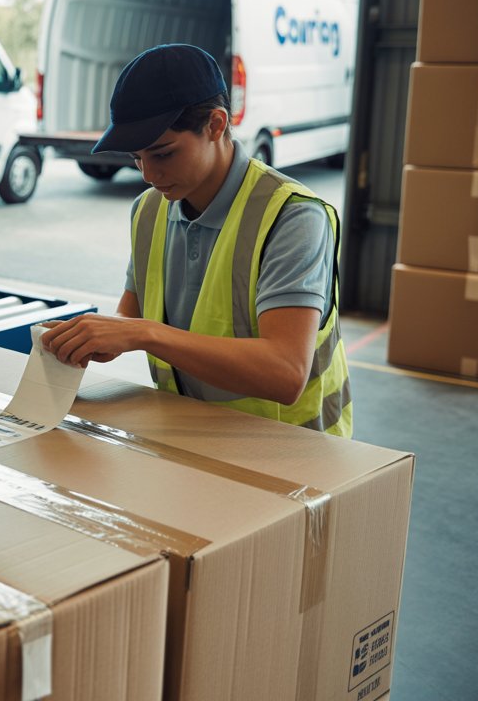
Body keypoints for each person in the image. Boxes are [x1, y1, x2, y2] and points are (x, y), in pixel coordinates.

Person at [41, 44, 352, 437]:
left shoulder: (291, 217)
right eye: (137, 158)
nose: (149, 174)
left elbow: (286, 371)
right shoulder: (148, 211)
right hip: (194, 438)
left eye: (163, 154)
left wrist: (142, 333)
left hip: (292, 454)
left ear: (216, 125)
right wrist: (101, 336)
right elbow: (132, 315)